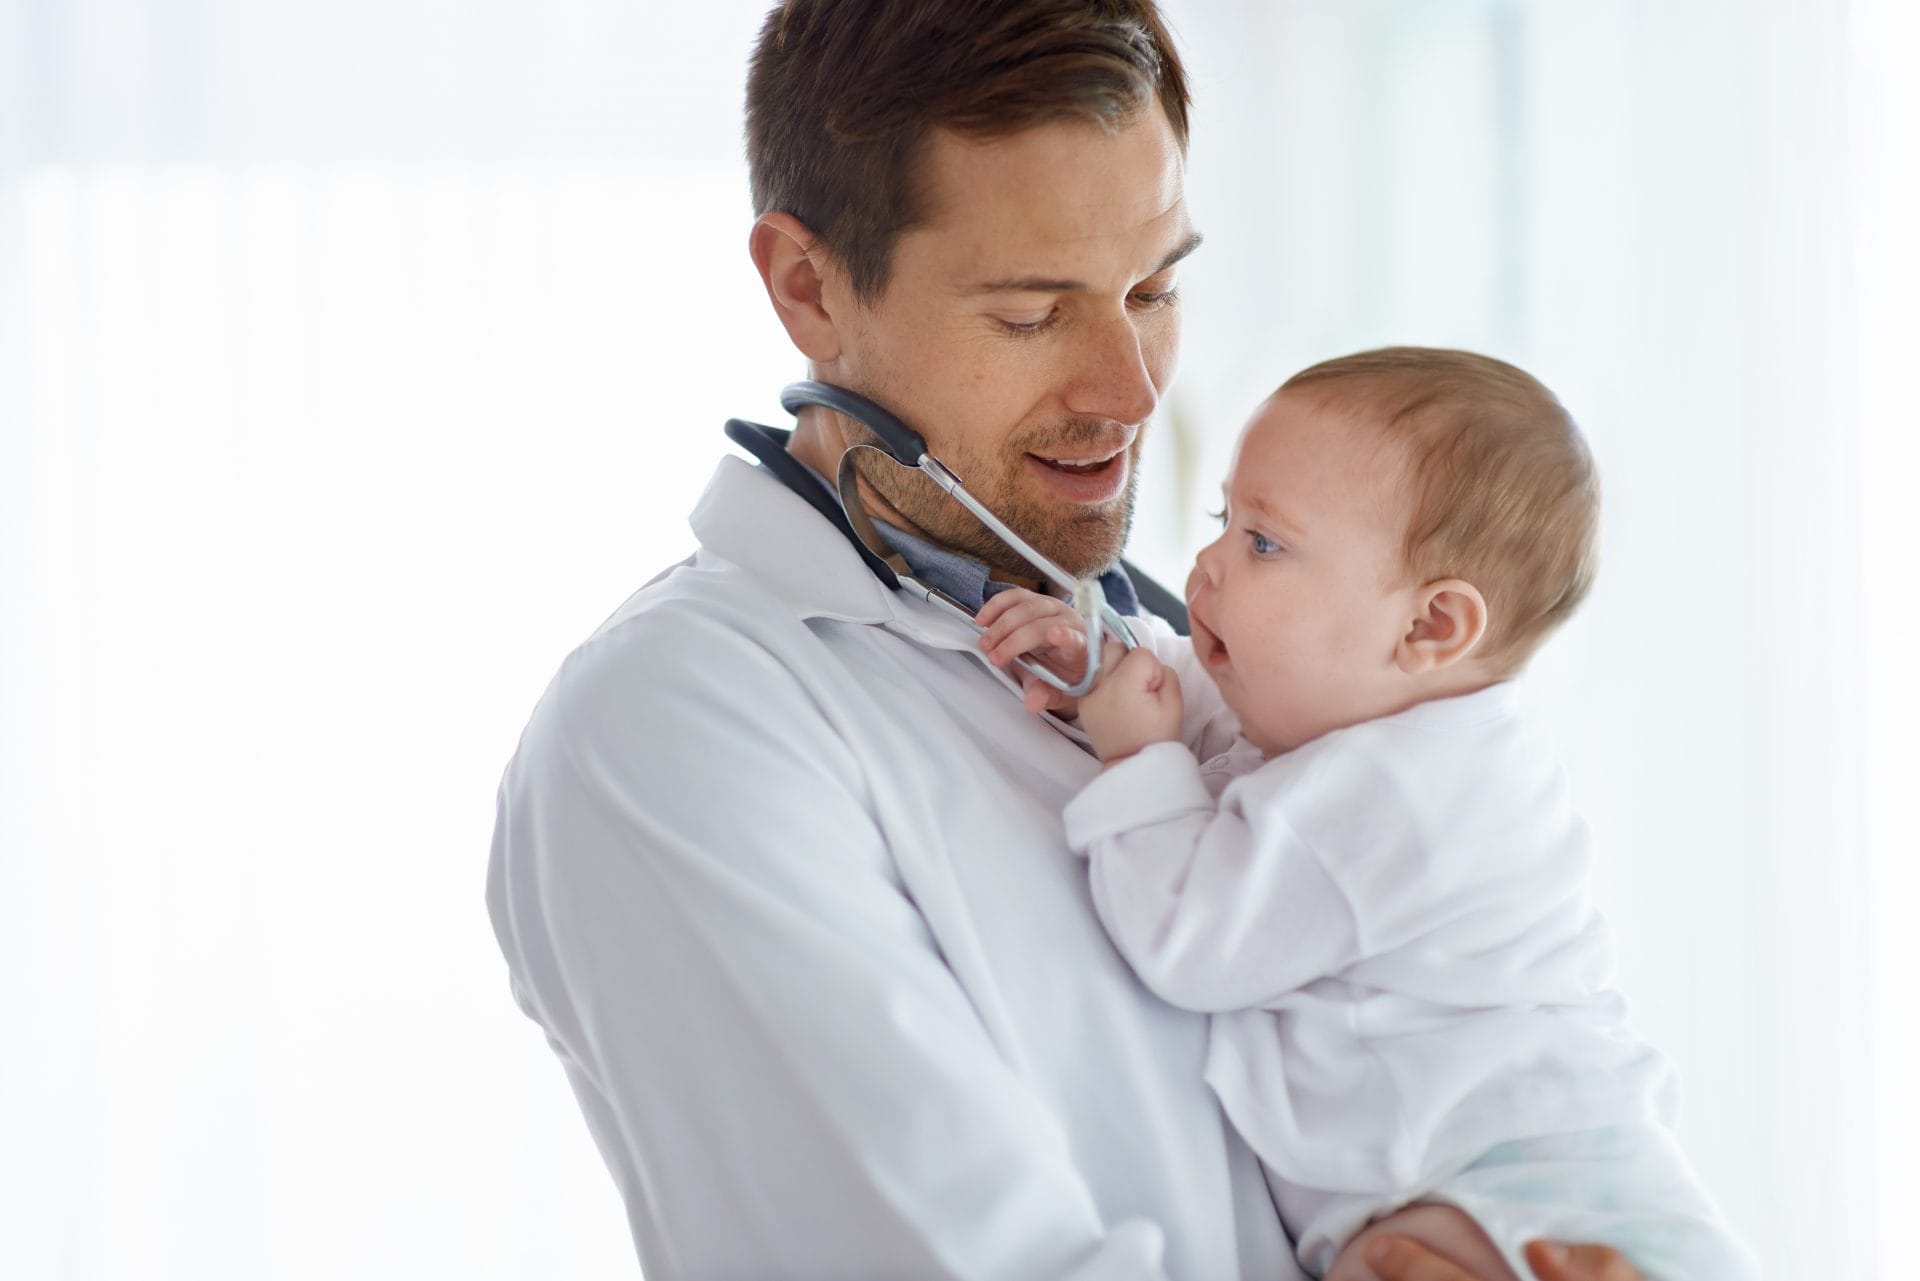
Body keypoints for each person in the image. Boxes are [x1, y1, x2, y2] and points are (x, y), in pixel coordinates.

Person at [486, 3, 1651, 1276]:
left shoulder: (1195, 656)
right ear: (808, 289)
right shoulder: (678, 729)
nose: (1133, 390)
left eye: (1153, 287)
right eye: (1034, 312)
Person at [978, 349, 1755, 1279]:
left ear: (1430, 628)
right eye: (1227, 519)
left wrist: (1137, 754)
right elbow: (1188, 682)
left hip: (1532, 1193)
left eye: (1264, 543)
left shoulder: (1403, 797)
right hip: (1482, 1185)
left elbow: (1194, 936)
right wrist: (1100, 661)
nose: (1207, 563)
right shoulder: (1343, 708)